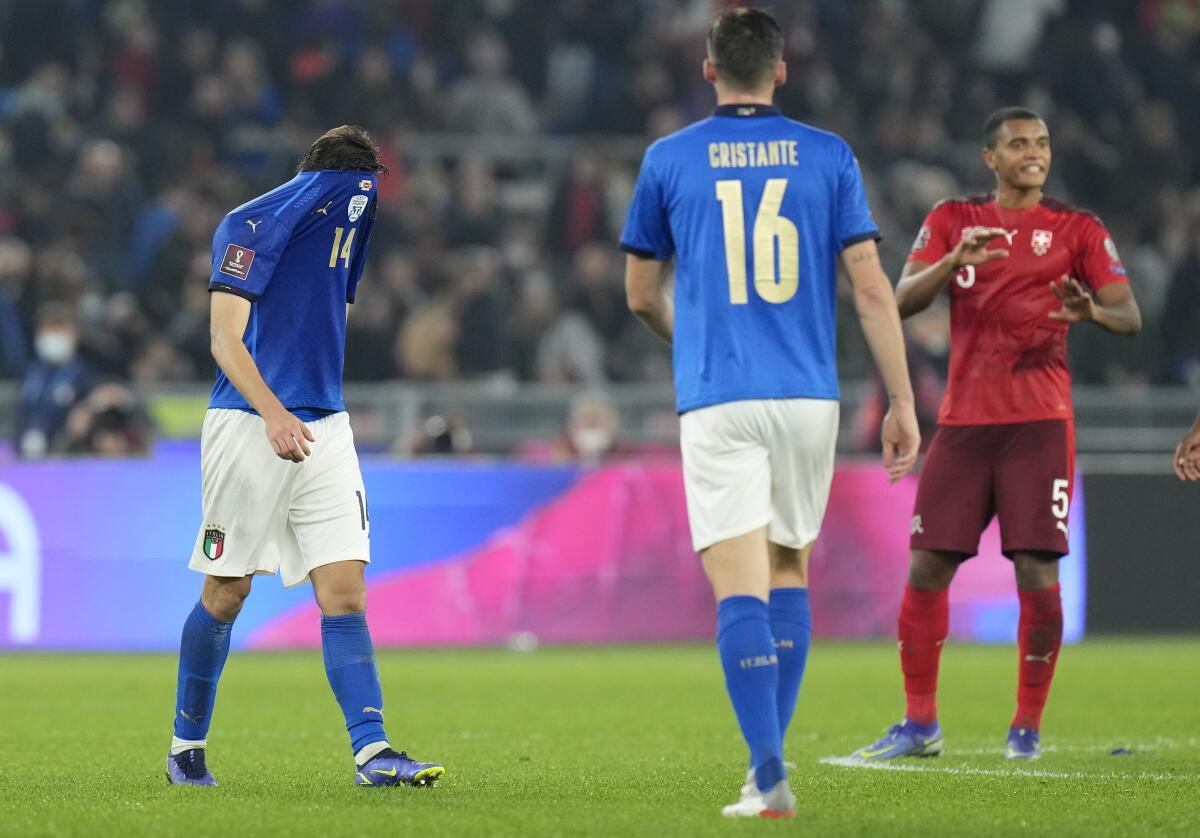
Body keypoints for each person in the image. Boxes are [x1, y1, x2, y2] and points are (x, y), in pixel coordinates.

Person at [620, 8, 919, 819]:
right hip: (808, 399)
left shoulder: (668, 158)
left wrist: (691, 341)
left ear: (709, 69)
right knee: (790, 572)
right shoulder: (829, 156)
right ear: (782, 70)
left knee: (736, 590)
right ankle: (766, 772)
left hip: (721, 395)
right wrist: (900, 399)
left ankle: (769, 771)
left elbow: (640, 293)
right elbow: (867, 288)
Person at [852, 107, 1141, 763]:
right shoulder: (953, 219)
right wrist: (952, 262)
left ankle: (1026, 729)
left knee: (1037, 572)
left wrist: (1091, 310)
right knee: (927, 568)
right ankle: (919, 724)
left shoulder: (1078, 229)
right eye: (1019, 144)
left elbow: (1130, 315)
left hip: (1039, 424)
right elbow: (900, 300)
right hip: (962, 424)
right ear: (990, 157)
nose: (1034, 153)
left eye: (1041, 143)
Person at [166, 126, 444, 788]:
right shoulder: (250, 223)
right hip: (248, 423)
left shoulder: (347, 229)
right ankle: (185, 748)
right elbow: (224, 340)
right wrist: (273, 412)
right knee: (227, 592)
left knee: (344, 593)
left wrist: (310, 410)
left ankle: (373, 755)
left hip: (326, 427)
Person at [15, 301, 94, 458]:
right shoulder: (32, 371)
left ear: (74, 335)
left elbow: (85, 417)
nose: (53, 337)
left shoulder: (83, 375)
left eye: (59, 331)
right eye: (48, 331)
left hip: (67, 457)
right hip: (27, 454)